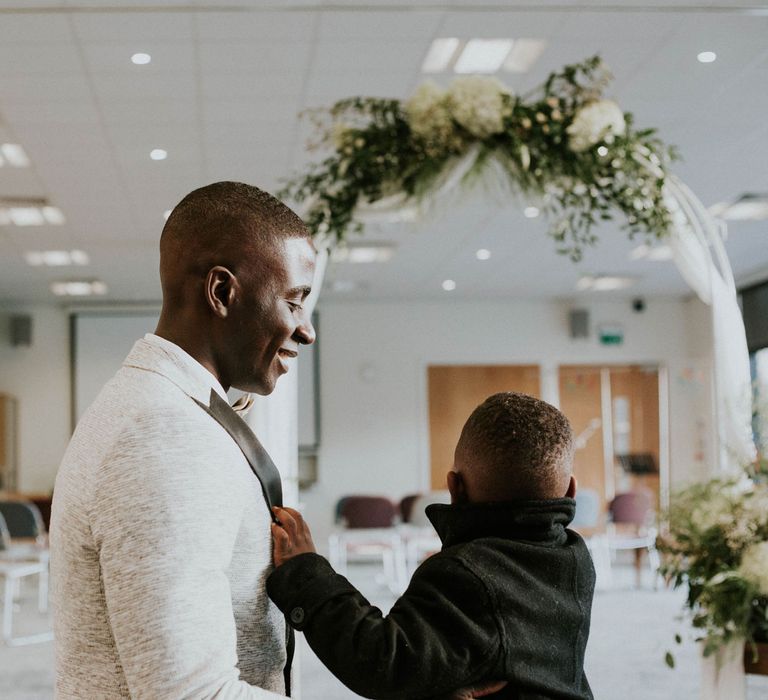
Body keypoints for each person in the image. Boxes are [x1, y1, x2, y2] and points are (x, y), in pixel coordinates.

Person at [50, 182, 316, 698]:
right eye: (293, 302)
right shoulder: (163, 430)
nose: (306, 331)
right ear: (221, 292)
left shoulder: (167, 406)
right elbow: (190, 693)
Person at [267, 392, 595, 700]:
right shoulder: (576, 557)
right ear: (570, 491)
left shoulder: (465, 572)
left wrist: (307, 573)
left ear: (454, 487)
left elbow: (383, 659)